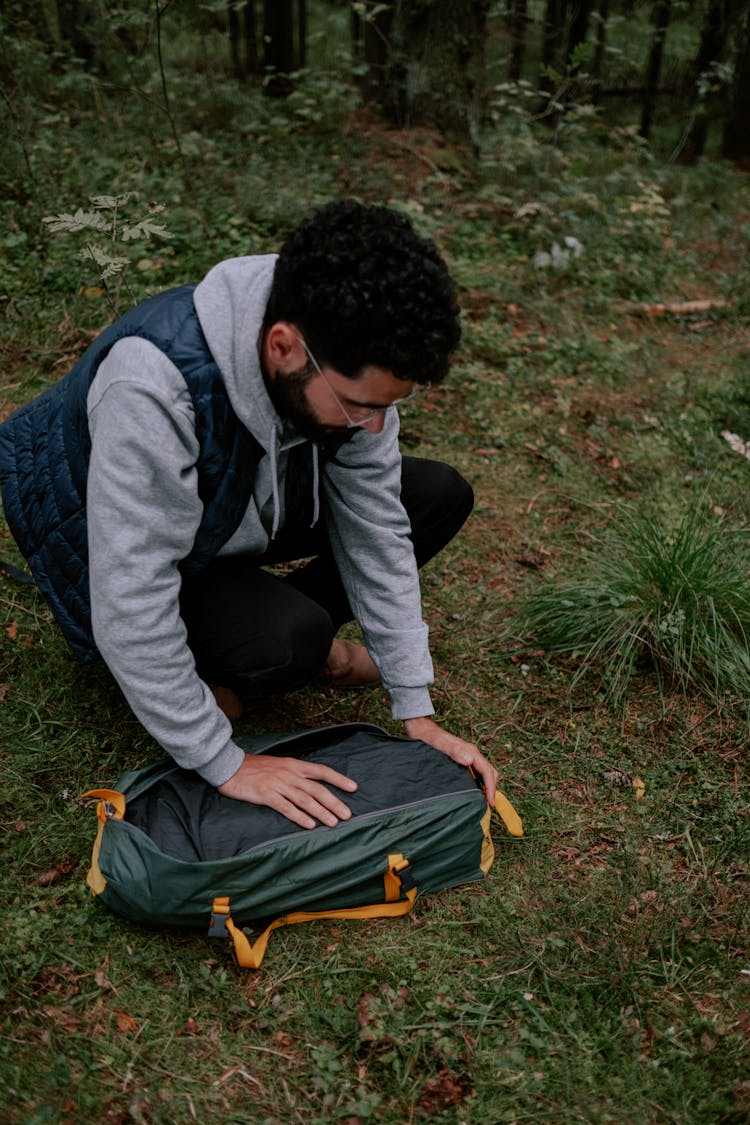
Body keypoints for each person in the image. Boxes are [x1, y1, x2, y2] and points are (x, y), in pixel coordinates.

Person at [0, 199, 498, 828]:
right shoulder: (153, 389)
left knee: (434, 492)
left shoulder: (335, 340)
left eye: (387, 406)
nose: (373, 425)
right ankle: (237, 660)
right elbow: (131, 593)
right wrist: (223, 760)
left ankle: (252, 639)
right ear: (284, 345)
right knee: (289, 639)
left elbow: (376, 524)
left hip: (230, 504)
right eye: (356, 404)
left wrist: (415, 708)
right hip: (104, 538)